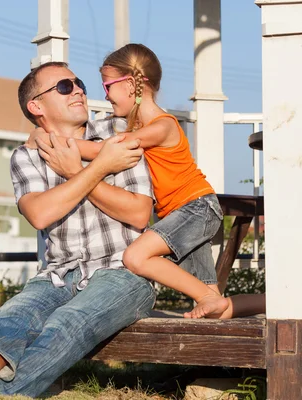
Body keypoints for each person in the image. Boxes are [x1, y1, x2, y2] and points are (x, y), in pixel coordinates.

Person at [0, 61, 156, 397]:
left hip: (124, 272)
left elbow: (138, 213)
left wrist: (74, 170)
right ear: (37, 106)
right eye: (64, 87)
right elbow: (40, 213)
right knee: (20, 311)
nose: (78, 89)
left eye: (78, 83)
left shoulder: (118, 134)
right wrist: (97, 169)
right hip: (59, 273)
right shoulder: (26, 156)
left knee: (68, 321)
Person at [27, 44, 228, 319]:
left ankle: (206, 297)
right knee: (217, 307)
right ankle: (272, 302)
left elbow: (103, 151)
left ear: (132, 85)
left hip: (196, 208)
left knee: (135, 257)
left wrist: (50, 140)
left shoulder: (162, 125)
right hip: (180, 213)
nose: (105, 95)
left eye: (107, 86)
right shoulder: (140, 129)